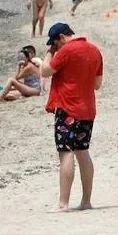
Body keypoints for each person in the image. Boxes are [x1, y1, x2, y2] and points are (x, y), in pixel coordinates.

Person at [42, 23, 103, 212]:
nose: (55, 47)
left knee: (66, 153)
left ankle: (63, 203)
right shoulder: (94, 50)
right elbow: (97, 84)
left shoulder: (66, 51)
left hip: (67, 108)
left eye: (54, 43)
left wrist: (49, 53)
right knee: (83, 152)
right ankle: (86, 201)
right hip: (87, 109)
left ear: (61, 37)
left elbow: (44, 71)